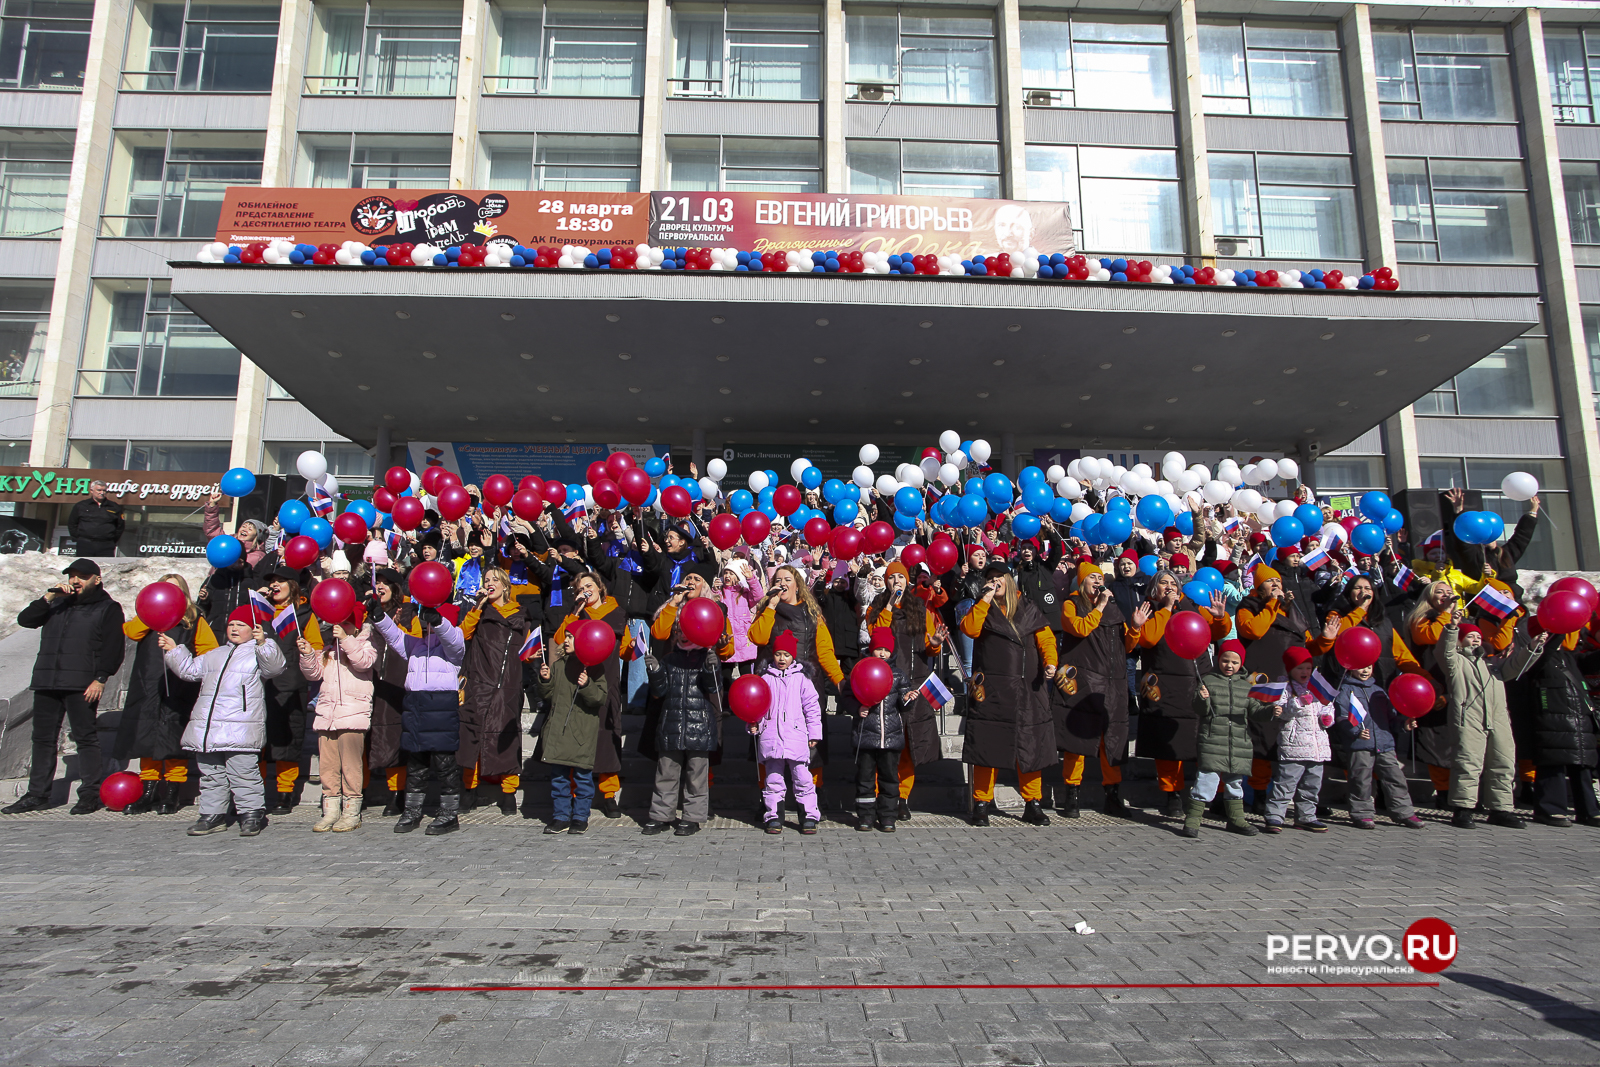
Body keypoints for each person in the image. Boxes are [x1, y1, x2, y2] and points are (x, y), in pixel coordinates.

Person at [3, 559, 125, 815]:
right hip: (48, 681)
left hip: (82, 684)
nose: (75, 581)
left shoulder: (108, 608)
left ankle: (90, 794)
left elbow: (113, 647)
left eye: (82, 576)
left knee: (85, 738)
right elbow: (26, 620)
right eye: (72, 576)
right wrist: (48, 596)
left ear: (97, 579)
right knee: (42, 739)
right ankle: (38, 794)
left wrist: (100, 678)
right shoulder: (56, 604)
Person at [161, 605, 287, 837]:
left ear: (253, 629)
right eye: (231, 624)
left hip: (240, 726)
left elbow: (275, 667)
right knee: (211, 773)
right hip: (209, 727)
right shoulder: (215, 654)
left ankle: (251, 814)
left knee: (244, 773)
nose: (235, 629)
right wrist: (174, 650)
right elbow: (189, 671)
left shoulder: (258, 652)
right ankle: (212, 814)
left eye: (242, 625)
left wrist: (264, 643)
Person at [1126, 569, 1231, 816]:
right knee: (1168, 742)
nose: (1169, 587)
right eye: (1163, 583)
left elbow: (1218, 632)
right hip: (1164, 686)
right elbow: (1149, 639)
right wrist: (1166, 609)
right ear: (1154, 588)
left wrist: (1220, 617)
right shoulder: (1148, 610)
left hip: (1196, 683)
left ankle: (1217, 795)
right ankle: (1172, 794)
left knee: (1203, 740)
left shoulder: (1193, 608)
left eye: (1173, 583)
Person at [960, 564, 1058, 827]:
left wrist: (1050, 662)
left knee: (1030, 744)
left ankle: (1032, 802)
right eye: (989, 579)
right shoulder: (982, 607)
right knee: (987, 744)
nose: (994, 582)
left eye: (998, 578)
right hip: (993, 690)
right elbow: (969, 629)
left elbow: (1046, 639)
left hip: (1028, 688)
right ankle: (982, 802)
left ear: (1009, 581)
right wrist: (985, 598)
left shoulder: (1028, 608)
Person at [643, 566, 735, 836]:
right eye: (687, 578)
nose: (692, 581)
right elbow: (659, 633)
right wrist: (674, 601)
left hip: (701, 712)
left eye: (698, 578)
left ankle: (693, 815)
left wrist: (712, 661)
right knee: (666, 770)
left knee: (697, 770)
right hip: (672, 711)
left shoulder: (716, 610)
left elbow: (725, 652)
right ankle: (661, 815)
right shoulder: (672, 629)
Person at [115, 574, 215, 815]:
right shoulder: (147, 617)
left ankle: (172, 792)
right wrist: (149, 614)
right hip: (148, 685)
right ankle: (148, 791)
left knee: (173, 737)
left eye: (175, 590)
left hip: (179, 686)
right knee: (145, 736)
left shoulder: (194, 619)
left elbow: (210, 650)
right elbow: (130, 632)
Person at [372, 600, 468, 835]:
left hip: (441, 708)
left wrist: (439, 621)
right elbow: (396, 638)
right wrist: (379, 617)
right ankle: (413, 810)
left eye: (432, 621)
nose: (427, 626)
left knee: (445, 763)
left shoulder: (454, 646)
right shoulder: (417, 646)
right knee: (416, 763)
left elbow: (452, 639)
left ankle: (449, 813)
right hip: (415, 705)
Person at [867, 560, 947, 819]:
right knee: (885, 745)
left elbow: (929, 647)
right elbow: (876, 633)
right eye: (892, 579)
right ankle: (883, 795)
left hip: (913, 685)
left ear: (907, 581)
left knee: (908, 745)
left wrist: (935, 643)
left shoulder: (919, 609)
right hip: (885, 687)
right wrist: (889, 606)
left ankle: (902, 796)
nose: (896, 582)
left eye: (901, 578)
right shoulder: (876, 608)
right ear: (886, 582)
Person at [550, 570, 633, 818]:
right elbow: (557, 640)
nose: (585, 591)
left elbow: (626, 651)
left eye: (589, 586)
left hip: (607, 682)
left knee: (608, 736)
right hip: (580, 681)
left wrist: (632, 647)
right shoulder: (577, 614)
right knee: (578, 737)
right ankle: (576, 794)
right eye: (579, 588)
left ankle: (608, 794)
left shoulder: (617, 613)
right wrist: (574, 613)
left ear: (599, 588)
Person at [1054, 562, 1129, 818]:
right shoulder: (1071, 604)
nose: (1098, 581)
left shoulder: (1113, 607)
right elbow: (1080, 628)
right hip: (1084, 681)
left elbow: (1126, 644)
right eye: (1092, 578)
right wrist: (1098, 607)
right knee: (1079, 739)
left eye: (1100, 577)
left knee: (1113, 739)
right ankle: (1071, 796)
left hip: (1112, 683)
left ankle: (1113, 796)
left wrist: (1138, 627)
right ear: (1082, 582)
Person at [1507, 621, 1598, 827]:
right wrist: (1559, 629)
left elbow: (1591, 661)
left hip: (1578, 722)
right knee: (1552, 765)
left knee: (1582, 766)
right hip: (1550, 721)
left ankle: (1588, 810)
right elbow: (1543, 655)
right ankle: (1549, 809)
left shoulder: (1569, 657)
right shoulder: (1532, 656)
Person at [458, 567, 533, 814]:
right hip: (479, 683)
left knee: (507, 739)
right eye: (486, 580)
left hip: (508, 684)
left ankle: (508, 792)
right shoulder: (479, 611)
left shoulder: (520, 614)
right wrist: (477, 607)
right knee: (473, 737)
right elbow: (462, 636)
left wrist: (534, 655)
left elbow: (527, 650)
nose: (489, 583)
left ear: (504, 585)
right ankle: (469, 790)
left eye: (494, 580)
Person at [298, 610, 377, 833]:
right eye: (338, 623)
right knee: (328, 767)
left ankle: (351, 811)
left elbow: (363, 663)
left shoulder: (365, 645)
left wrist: (345, 639)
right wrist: (307, 655)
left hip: (353, 716)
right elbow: (313, 674)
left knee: (351, 767)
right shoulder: (328, 651)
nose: (339, 626)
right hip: (327, 717)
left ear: (357, 626)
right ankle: (331, 810)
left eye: (346, 623)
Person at [1181, 640, 1261, 838]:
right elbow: (1201, 710)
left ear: (1241, 663)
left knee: (1235, 782)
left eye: (1235, 662)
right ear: (1219, 660)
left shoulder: (1246, 686)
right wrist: (1202, 698)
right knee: (1206, 781)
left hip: (1238, 743)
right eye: (1226, 661)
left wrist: (1271, 711)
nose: (1229, 665)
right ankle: (1192, 819)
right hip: (1212, 741)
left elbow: (1255, 710)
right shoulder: (1209, 680)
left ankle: (1236, 819)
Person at [1332, 661, 1424, 829]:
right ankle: (1362, 814)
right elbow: (1341, 718)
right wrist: (1355, 732)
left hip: (1384, 743)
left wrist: (1404, 725)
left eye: (1368, 666)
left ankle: (1404, 812)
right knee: (1360, 780)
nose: (1365, 670)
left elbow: (1390, 719)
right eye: (1360, 666)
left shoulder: (1379, 690)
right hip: (1360, 744)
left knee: (1396, 778)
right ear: (1350, 667)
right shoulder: (1344, 690)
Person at [534, 629, 608, 834]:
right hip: (558, 731)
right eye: (565, 636)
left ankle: (580, 817)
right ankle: (560, 816)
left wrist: (587, 685)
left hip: (581, 733)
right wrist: (546, 679)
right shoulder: (558, 665)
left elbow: (600, 698)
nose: (565, 641)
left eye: (570, 637)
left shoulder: (594, 668)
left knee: (583, 778)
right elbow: (548, 696)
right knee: (559, 779)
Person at [259, 568, 320, 813]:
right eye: (271, 582)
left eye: (279, 581)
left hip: (291, 684)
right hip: (260, 686)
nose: (274, 585)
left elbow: (316, 647)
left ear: (292, 586)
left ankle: (285, 793)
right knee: (258, 743)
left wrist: (306, 649)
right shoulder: (259, 613)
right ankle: (256, 792)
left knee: (288, 740)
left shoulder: (304, 614)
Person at [1255, 647, 1334, 833]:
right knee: (1285, 783)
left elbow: (1328, 705)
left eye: (1308, 668)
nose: (1304, 672)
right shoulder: (1284, 688)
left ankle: (1306, 817)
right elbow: (1282, 713)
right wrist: (1298, 702)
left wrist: (1327, 717)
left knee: (1311, 785)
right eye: (1300, 668)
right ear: (1290, 670)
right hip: (1294, 747)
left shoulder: (1317, 687)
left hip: (1317, 748)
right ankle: (1275, 815)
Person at [752, 630, 823, 834]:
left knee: (803, 778)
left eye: (786, 655)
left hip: (796, 737)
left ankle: (808, 815)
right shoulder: (765, 678)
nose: (782, 659)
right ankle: (773, 815)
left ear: (793, 656)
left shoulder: (801, 678)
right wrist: (753, 723)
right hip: (771, 736)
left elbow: (811, 706)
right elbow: (756, 705)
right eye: (778, 654)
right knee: (773, 779)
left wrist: (814, 732)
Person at [1407, 580, 1462, 806]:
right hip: (1432, 683)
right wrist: (1446, 614)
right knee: (1436, 738)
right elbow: (1432, 637)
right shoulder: (1421, 619)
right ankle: (1443, 790)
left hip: (1456, 682)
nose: (1445, 595)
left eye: (1449, 592)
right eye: (1440, 592)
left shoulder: (1454, 618)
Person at [852, 627, 910, 833]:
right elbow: (849, 697)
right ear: (872, 650)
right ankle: (865, 816)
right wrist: (857, 708)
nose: (882, 654)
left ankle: (887, 817)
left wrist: (907, 699)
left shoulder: (898, 675)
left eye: (886, 650)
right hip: (866, 735)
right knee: (865, 778)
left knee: (890, 778)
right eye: (878, 649)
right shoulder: (861, 668)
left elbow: (904, 704)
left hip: (891, 736)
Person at [363, 569, 412, 816]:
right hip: (365, 680)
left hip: (395, 680)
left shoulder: (407, 611)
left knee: (392, 736)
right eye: (377, 582)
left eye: (385, 583)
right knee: (362, 737)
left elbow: (413, 641)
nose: (380, 587)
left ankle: (397, 792)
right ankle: (357, 790)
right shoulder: (365, 610)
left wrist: (398, 625)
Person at [67, 481, 125, 557]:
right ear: (91, 491)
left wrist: (112, 540)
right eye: (99, 490)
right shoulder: (81, 506)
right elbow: (72, 523)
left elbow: (120, 526)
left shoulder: (114, 507)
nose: (102, 492)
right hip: (85, 544)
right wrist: (78, 538)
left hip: (106, 545)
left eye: (104, 490)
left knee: (105, 567)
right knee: (83, 567)